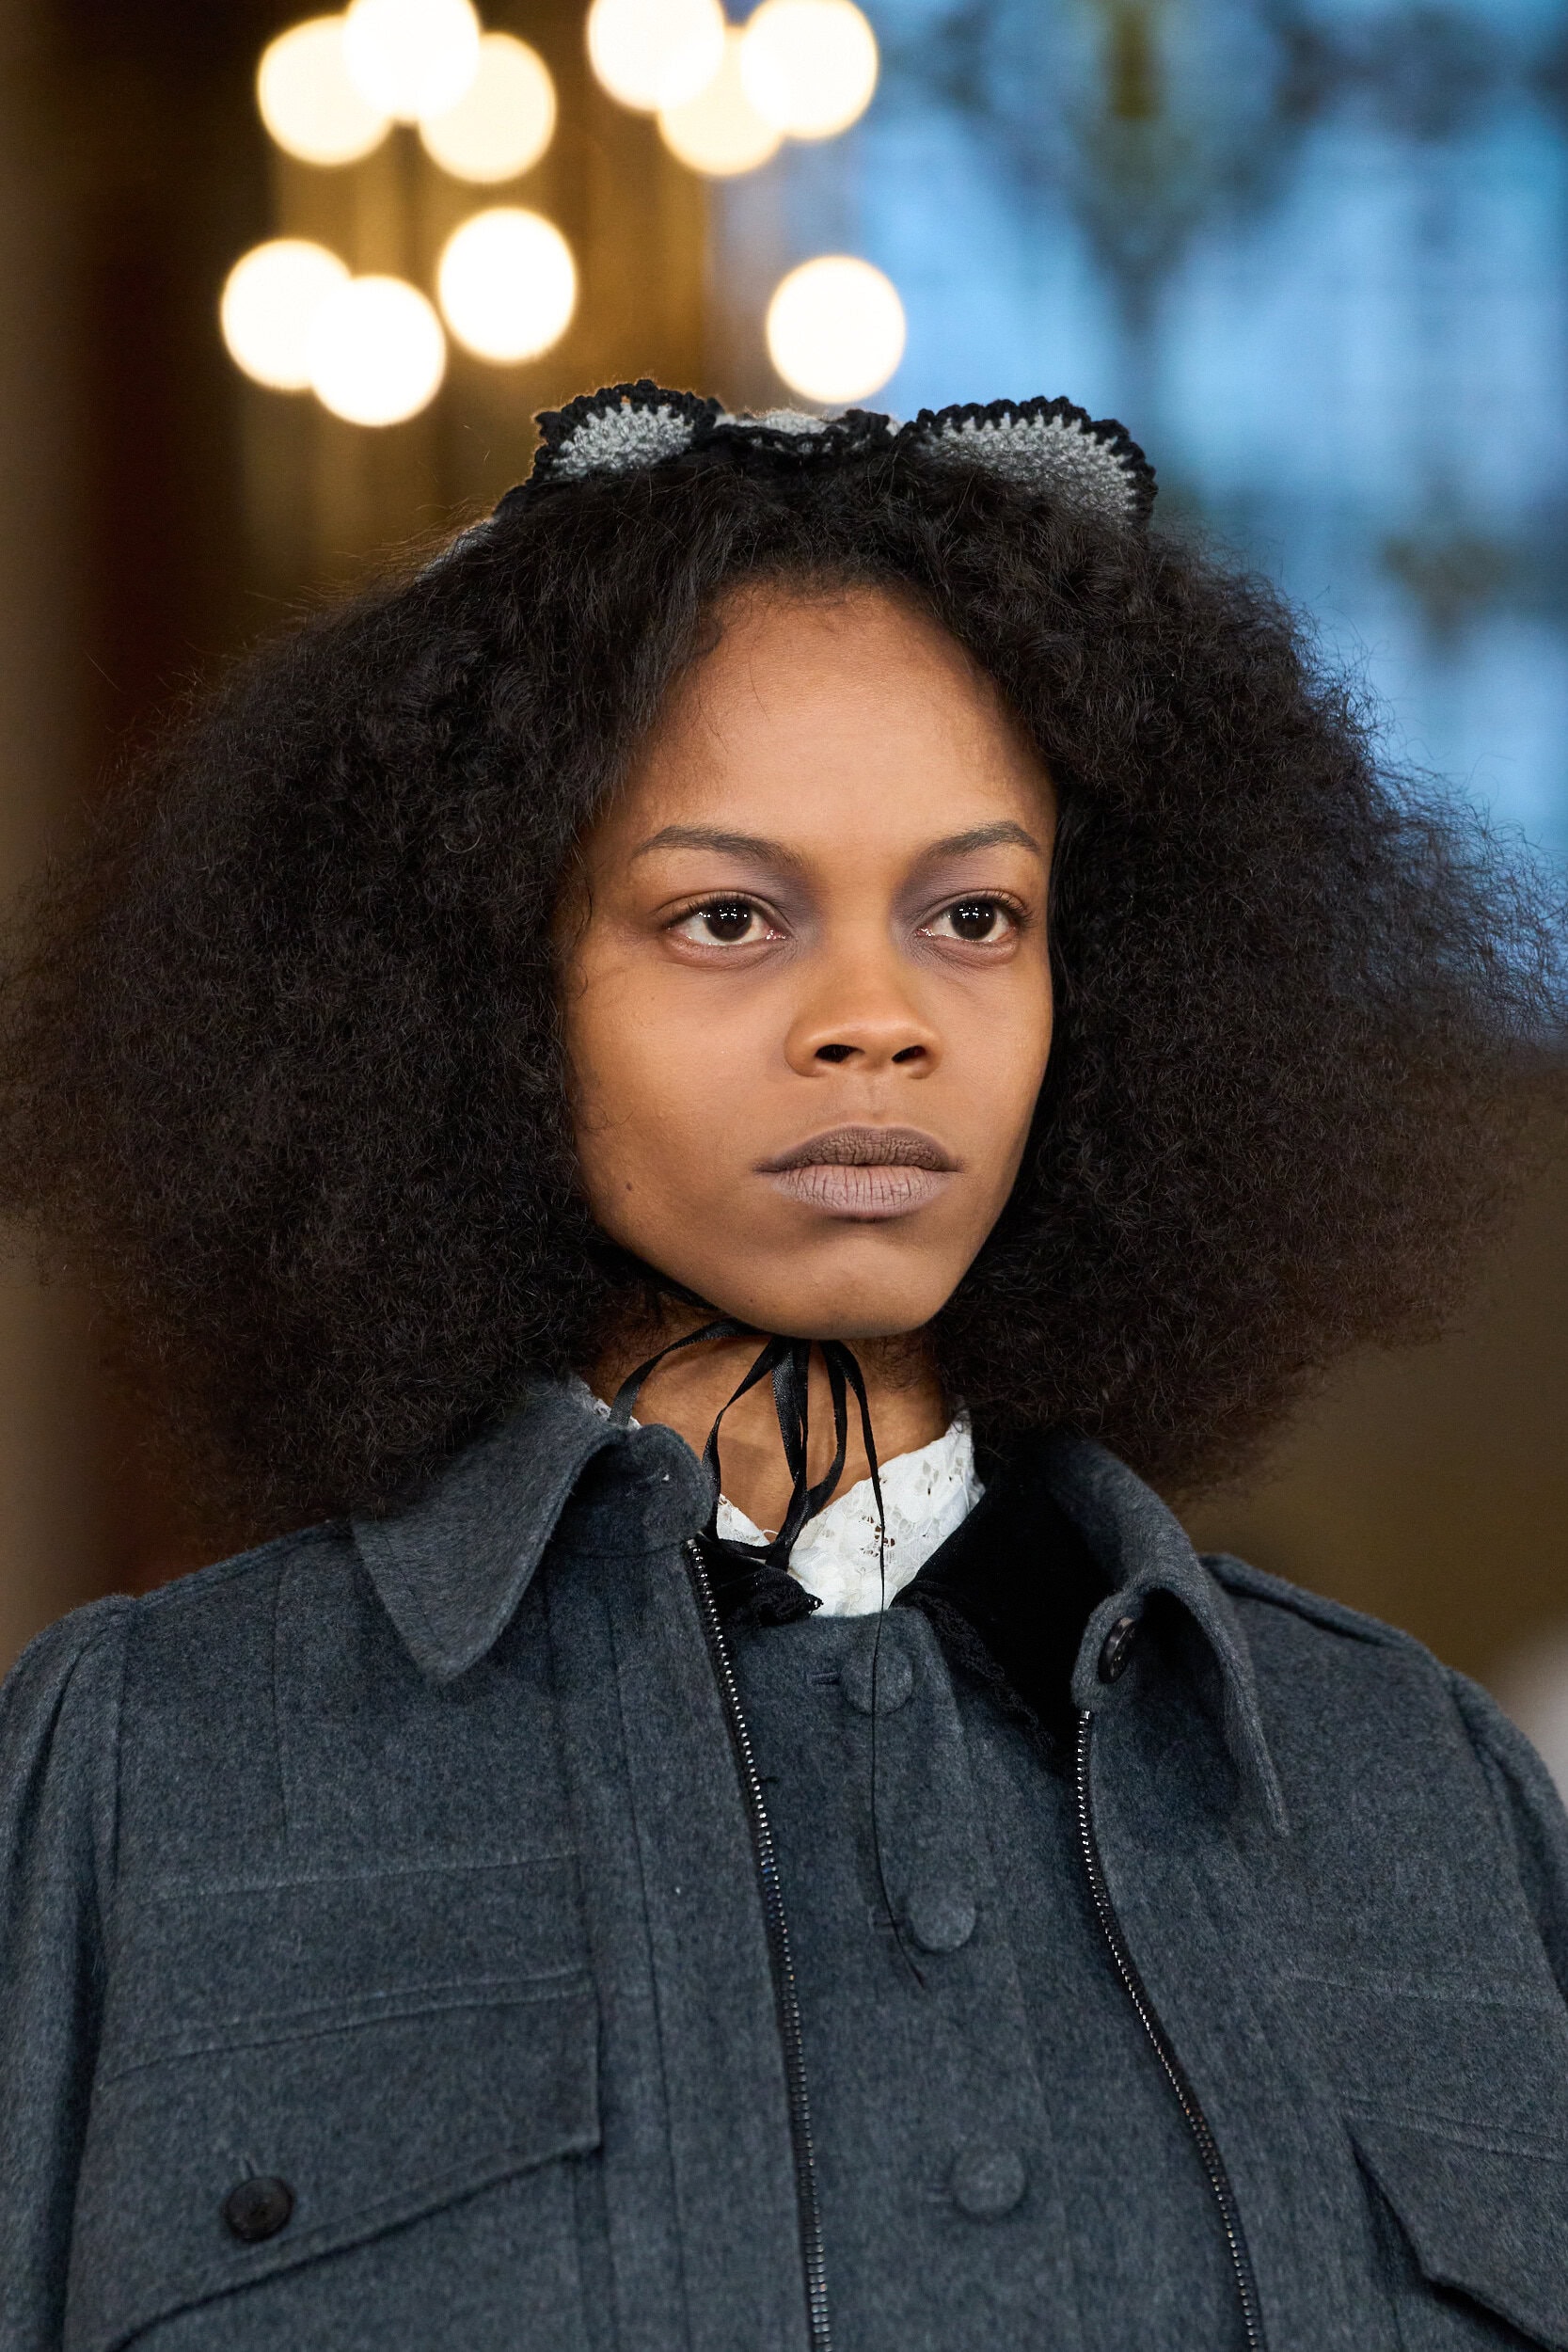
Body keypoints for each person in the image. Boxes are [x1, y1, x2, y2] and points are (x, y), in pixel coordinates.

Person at [0, 380, 1564, 2352]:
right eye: (726, 915)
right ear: (485, 994)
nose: (876, 1019)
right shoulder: (142, 1767)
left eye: (975, 914)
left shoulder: (1422, 1788)